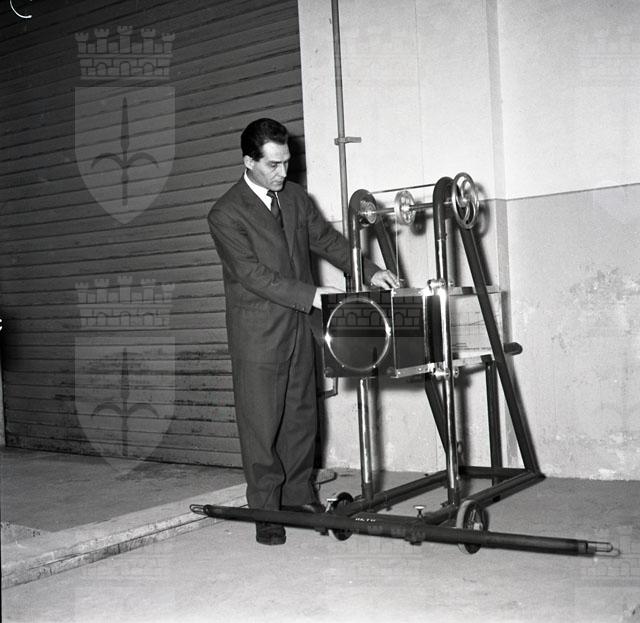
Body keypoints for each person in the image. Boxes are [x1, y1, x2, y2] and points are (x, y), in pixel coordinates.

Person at [207, 118, 399, 545]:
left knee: (301, 418)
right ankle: (266, 510)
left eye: (287, 162)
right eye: (273, 165)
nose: (283, 172)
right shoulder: (225, 213)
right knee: (262, 426)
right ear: (249, 162)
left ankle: (297, 497)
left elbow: (327, 241)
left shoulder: (294, 197)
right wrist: (312, 294)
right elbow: (251, 274)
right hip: (258, 334)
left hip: (300, 328)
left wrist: (369, 271)